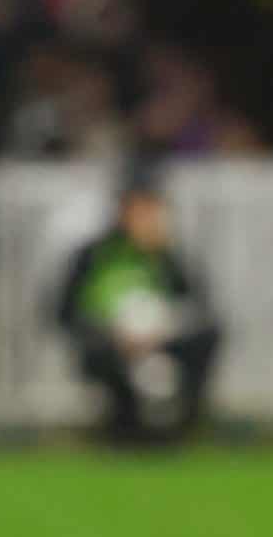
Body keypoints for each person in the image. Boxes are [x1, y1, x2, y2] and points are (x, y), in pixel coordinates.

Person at [52, 163, 221, 446]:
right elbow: (63, 311)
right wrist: (111, 332)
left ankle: (183, 426)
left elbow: (196, 301)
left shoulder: (167, 256)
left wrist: (161, 327)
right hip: (108, 338)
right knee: (106, 356)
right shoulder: (93, 255)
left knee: (207, 336)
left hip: (162, 335)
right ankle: (125, 430)